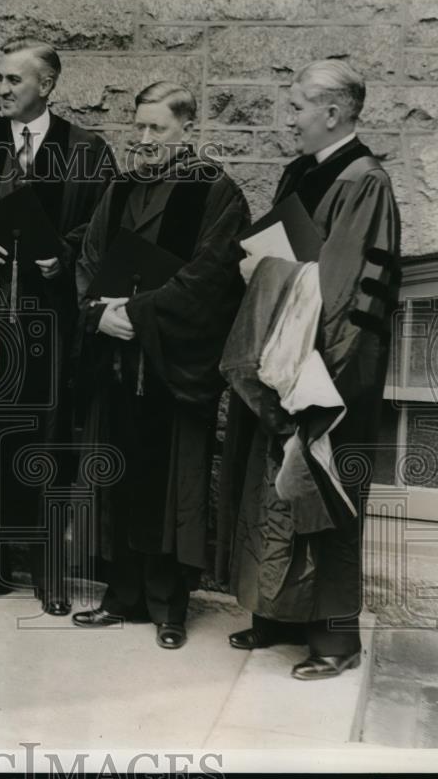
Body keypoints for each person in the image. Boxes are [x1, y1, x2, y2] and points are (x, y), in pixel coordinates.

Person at [220, 60, 401, 679]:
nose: (288, 117)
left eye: (296, 106)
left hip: (329, 363)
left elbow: (349, 290)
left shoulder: (364, 180)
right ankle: (277, 613)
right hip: (282, 351)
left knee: (326, 491)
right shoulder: (302, 172)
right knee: (274, 486)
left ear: (333, 112)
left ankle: (334, 637)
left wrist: (318, 376)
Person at [0, 38, 116, 615]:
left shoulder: (85, 150)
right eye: (0, 79)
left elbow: (102, 230)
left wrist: (66, 256)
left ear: (47, 86)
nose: (2, 90)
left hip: (49, 326)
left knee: (44, 446)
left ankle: (48, 574)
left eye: (14, 80)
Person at [70, 82, 250, 648]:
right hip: (118, 366)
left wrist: (140, 314)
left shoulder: (217, 193)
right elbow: (90, 257)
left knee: (174, 489)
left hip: (172, 368)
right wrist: (97, 313)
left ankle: (170, 607)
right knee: (119, 480)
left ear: (188, 130)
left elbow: (211, 278)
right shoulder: (120, 187)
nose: (144, 140)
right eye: (139, 127)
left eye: (158, 129)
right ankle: (120, 597)